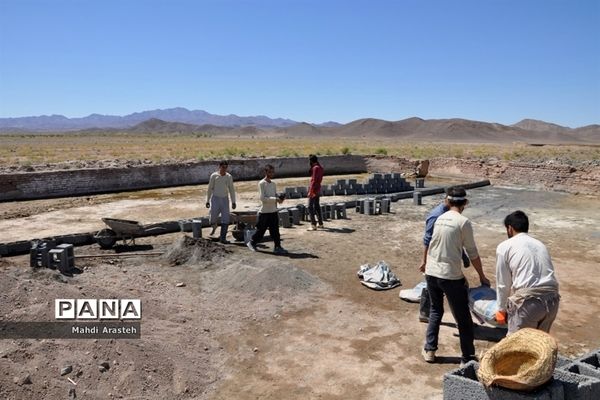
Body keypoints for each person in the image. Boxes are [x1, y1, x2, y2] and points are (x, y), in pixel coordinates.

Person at [422, 187, 490, 366]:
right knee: (463, 318)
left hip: (431, 272)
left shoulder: (439, 218)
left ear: (447, 201)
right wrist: (482, 276)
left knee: (436, 311)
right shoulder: (463, 222)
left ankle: (430, 350)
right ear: (465, 203)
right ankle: (467, 357)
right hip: (449, 275)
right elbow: (473, 252)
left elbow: (432, 243)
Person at [495, 210, 560, 334]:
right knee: (539, 345)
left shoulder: (505, 246)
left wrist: (501, 309)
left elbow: (503, 284)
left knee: (517, 347)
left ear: (509, 228)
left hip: (529, 303)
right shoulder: (540, 244)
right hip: (552, 301)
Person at [418, 196, 471, 323]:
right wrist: (424, 261)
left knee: (439, 290)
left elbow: (456, 240)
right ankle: (460, 321)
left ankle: (430, 317)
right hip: (438, 260)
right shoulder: (436, 216)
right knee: (452, 291)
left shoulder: (451, 215)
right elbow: (427, 240)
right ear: (447, 201)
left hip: (446, 258)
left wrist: (463, 256)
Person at [247, 164, 287, 254]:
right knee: (261, 231)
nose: (271, 173)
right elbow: (263, 198)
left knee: (275, 231)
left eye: (273, 172)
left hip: (273, 211)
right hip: (264, 212)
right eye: (269, 172)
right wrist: (275, 199)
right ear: (265, 172)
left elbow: (274, 196)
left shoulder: (273, 184)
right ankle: (251, 243)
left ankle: (277, 246)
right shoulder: (261, 183)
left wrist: (280, 199)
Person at [206, 161, 236, 244]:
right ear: (219, 167)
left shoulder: (228, 177)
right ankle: (214, 227)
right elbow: (209, 189)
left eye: (226, 167)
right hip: (215, 199)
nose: (224, 169)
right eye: (223, 167)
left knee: (225, 219)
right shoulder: (214, 176)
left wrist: (233, 202)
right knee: (213, 217)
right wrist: (207, 200)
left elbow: (231, 190)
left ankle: (223, 238)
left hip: (224, 199)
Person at [307, 154, 324, 231]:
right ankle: (320, 223)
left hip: (314, 190)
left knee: (310, 207)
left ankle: (313, 225)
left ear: (311, 161)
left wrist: (310, 191)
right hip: (318, 189)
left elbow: (313, 180)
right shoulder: (320, 167)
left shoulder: (315, 168)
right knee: (317, 206)